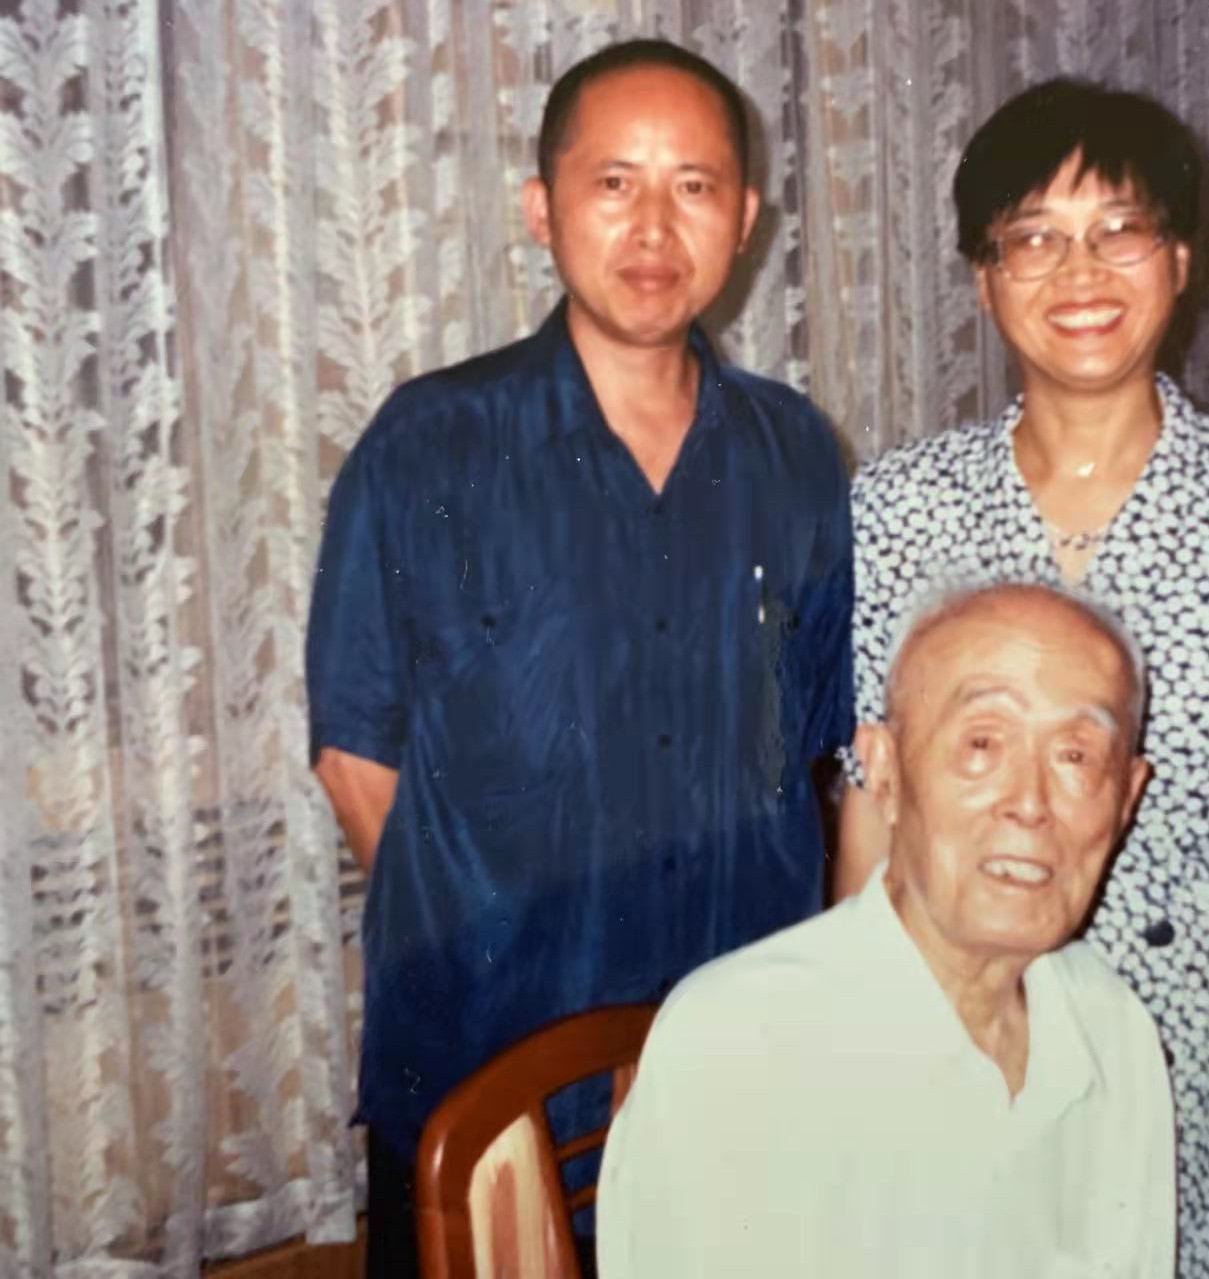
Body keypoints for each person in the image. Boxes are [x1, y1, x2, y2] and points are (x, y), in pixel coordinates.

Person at [837, 79, 1209, 1279]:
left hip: (1202, 1039)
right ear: (983, 278)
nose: (1080, 271)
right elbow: (874, 802)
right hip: (955, 1016)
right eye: (1033, 238)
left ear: (1181, 259)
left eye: (1120, 229)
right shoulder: (900, 505)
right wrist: (857, 1038)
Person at [304, 38, 852, 1276]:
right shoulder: (430, 443)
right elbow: (354, 754)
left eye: (693, 186)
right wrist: (500, 957)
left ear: (744, 219)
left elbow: (819, 750)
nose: (653, 225)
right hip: (490, 1074)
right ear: (540, 209)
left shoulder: (794, 453)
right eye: (613, 183)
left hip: (733, 1065)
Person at [597, 582, 1175, 1279]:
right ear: (883, 772)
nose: (1030, 802)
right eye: (983, 743)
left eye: (1076, 756)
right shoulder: (740, 1045)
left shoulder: (1113, 1028)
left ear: (1128, 799)